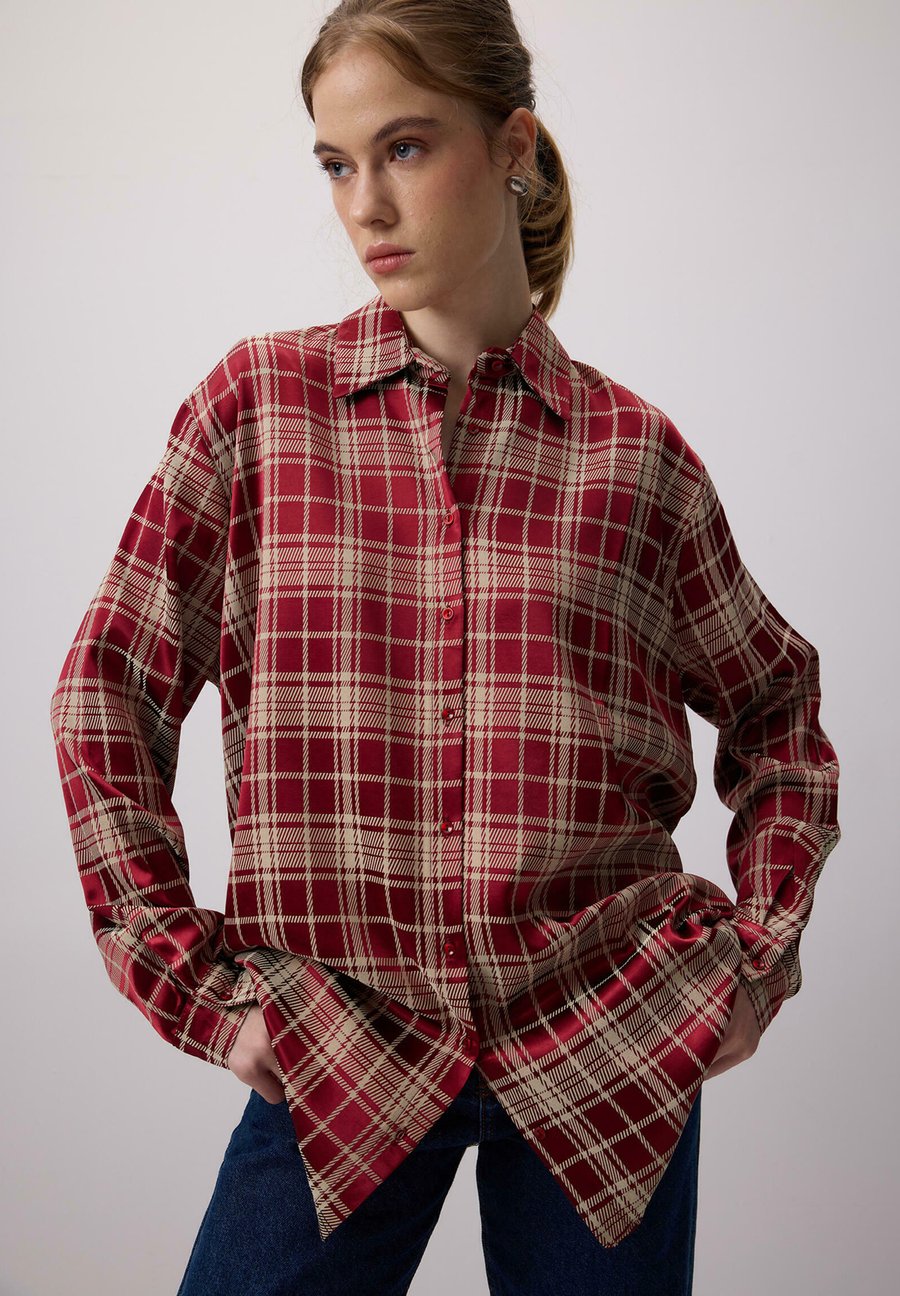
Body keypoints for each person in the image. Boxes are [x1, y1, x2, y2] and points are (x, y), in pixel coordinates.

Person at [49, 2, 841, 1294]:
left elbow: (778, 714)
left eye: (405, 148)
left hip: (607, 1044)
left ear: (512, 145)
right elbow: (106, 692)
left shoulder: (636, 459)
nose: (365, 205)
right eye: (336, 163)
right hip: (339, 1048)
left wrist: (757, 961)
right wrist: (191, 984)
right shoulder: (256, 412)